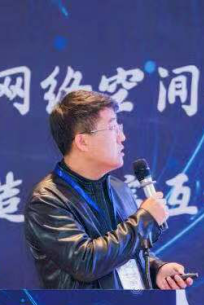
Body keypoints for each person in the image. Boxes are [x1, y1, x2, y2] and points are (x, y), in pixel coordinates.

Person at [24, 90, 194, 290]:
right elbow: (86, 262)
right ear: (83, 141)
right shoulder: (47, 199)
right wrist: (144, 221)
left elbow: (121, 251)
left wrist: (155, 269)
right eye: (113, 128)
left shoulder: (119, 188)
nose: (122, 137)